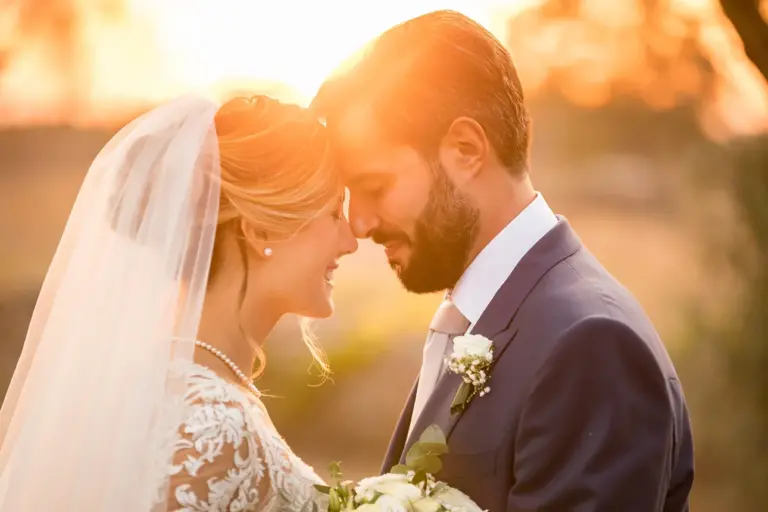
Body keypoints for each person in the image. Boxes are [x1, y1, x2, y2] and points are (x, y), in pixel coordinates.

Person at [312, 9, 695, 511]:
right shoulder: (482, 315)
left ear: (467, 150)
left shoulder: (591, 346)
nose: (359, 224)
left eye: (374, 187)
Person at [0, 94, 358, 510]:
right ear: (260, 232)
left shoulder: (176, 391)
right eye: (334, 213)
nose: (351, 241)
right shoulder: (215, 424)